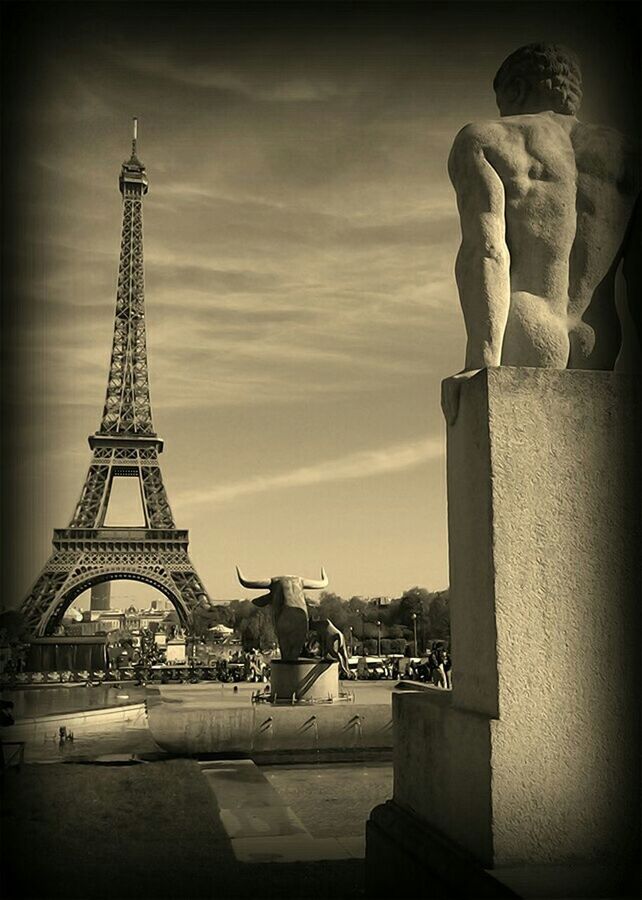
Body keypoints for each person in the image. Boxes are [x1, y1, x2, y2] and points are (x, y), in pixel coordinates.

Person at [443, 43, 640, 425]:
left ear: (514, 90)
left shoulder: (486, 139)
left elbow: (486, 250)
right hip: (597, 341)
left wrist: (480, 363)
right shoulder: (627, 156)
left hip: (528, 326)